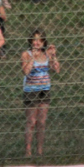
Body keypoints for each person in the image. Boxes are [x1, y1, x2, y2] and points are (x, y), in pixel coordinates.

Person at [21, 28, 59, 157]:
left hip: (45, 90)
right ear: (31, 41)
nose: (37, 43)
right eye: (35, 39)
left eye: (40, 40)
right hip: (31, 90)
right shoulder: (26, 54)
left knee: (42, 122)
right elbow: (25, 71)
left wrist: (53, 56)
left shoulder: (46, 54)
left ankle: (40, 151)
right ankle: (28, 150)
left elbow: (56, 69)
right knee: (31, 121)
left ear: (44, 42)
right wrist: (33, 58)